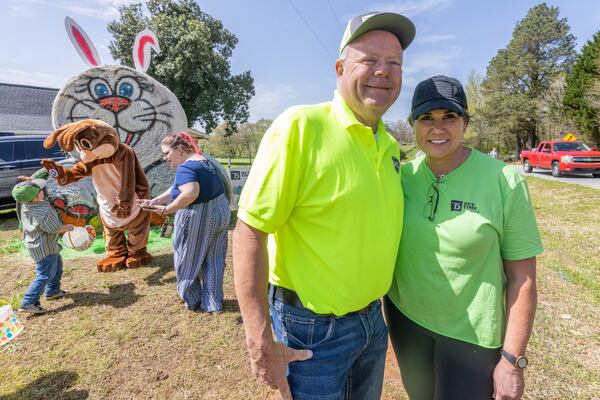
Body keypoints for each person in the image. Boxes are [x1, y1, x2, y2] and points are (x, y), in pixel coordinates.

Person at [233, 11, 415, 400]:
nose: (383, 72)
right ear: (339, 68)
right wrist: (259, 339)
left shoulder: (389, 144)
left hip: (372, 321)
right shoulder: (300, 127)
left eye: (394, 63)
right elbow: (250, 230)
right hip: (310, 330)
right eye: (369, 60)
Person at [384, 75, 543, 400]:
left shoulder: (503, 181)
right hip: (406, 321)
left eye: (449, 117)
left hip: (470, 337)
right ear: (413, 124)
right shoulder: (403, 177)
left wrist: (512, 361)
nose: (437, 128)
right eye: (427, 118)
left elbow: (522, 278)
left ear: (465, 122)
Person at [137, 132, 230, 314]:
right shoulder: (204, 161)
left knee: (186, 257)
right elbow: (178, 187)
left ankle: (193, 298)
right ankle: (213, 302)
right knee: (214, 258)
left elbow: (190, 192)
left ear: (179, 149)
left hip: (199, 215)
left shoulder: (185, 168)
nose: (165, 158)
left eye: (166, 153)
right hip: (220, 211)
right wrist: (156, 200)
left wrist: (167, 209)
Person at [13, 179, 74, 314]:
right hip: (44, 247)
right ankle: (28, 302)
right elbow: (54, 228)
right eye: (41, 190)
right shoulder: (44, 211)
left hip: (36, 244)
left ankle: (53, 291)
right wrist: (68, 227)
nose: (44, 191)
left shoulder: (26, 205)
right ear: (36, 196)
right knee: (45, 274)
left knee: (57, 265)